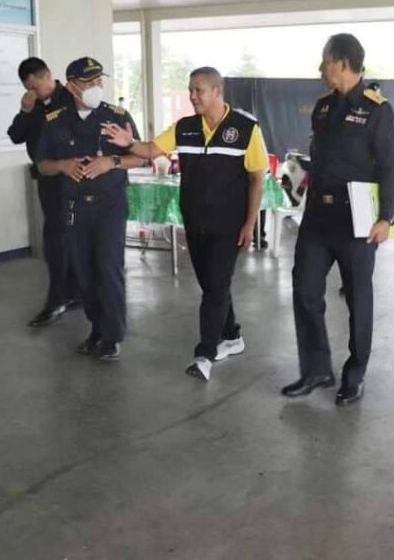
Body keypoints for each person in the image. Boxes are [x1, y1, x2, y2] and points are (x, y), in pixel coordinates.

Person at [103, 67, 269, 381]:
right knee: (213, 284)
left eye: (198, 90)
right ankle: (232, 335)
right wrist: (129, 141)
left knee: (215, 287)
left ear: (217, 91)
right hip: (194, 221)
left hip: (229, 224)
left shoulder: (246, 128)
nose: (192, 96)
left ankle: (205, 354)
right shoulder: (185, 128)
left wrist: (250, 224)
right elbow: (151, 150)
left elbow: (257, 179)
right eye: (190, 90)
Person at [282, 33, 394, 406]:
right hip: (318, 215)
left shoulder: (377, 109)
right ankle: (316, 369)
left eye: (326, 60)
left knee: (358, 298)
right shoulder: (323, 107)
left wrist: (386, 218)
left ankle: (355, 373)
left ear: (343, 63)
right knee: (304, 289)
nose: (321, 67)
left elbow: (388, 167)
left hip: (357, 218)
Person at [35, 57, 141, 362]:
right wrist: (62, 166)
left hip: (110, 206)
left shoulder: (116, 116)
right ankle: (97, 328)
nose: (96, 86)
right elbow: (42, 164)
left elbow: (140, 157)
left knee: (108, 268)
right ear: (71, 86)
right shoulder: (54, 120)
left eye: (99, 80)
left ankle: (112, 336)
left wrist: (111, 161)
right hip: (73, 207)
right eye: (88, 82)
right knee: (83, 271)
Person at [8, 57, 81, 327]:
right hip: (48, 179)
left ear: (48, 76)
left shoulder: (71, 98)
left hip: (73, 178)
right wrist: (25, 111)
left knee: (69, 238)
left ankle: (68, 295)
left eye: (35, 87)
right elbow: (16, 135)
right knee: (55, 239)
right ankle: (62, 295)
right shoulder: (33, 105)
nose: (33, 93)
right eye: (28, 89)